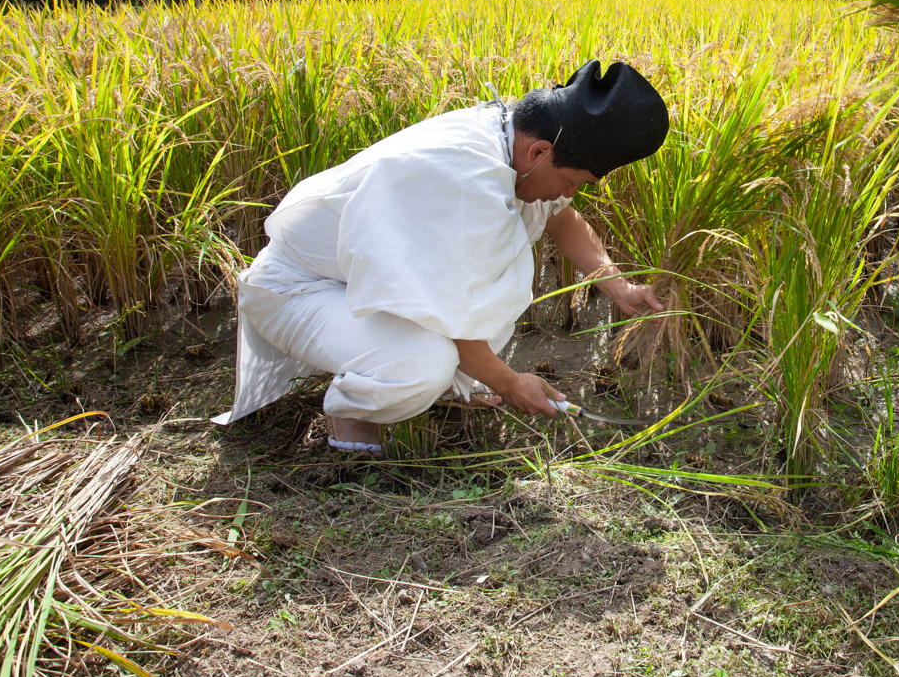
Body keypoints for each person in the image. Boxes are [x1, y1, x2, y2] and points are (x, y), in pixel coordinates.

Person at [213, 60, 670, 453]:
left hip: (352, 285)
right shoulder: (464, 176)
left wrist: (616, 285)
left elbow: (563, 220)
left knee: (476, 318)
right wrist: (509, 383)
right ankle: (351, 412)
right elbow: (453, 316)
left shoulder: (516, 145)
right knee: (423, 365)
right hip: (300, 287)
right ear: (539, 152)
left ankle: (440, 387)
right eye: (574, 181)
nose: (569, 193)